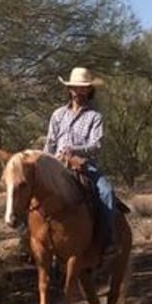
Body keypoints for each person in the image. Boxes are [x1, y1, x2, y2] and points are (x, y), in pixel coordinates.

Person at [43, 67, 119, 265]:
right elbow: (50, 143)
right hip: (57, 165)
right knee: (30, 193)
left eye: (83, 88)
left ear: (89, 90)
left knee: (106, 193)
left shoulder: (95, 117)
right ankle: (30, 242)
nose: (78, 91)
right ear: (69, 89)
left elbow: (96, 145)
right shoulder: (58, 115)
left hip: (84, 166)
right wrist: (45, 162)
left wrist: (74, 149)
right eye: (75, 87)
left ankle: (108, 241)